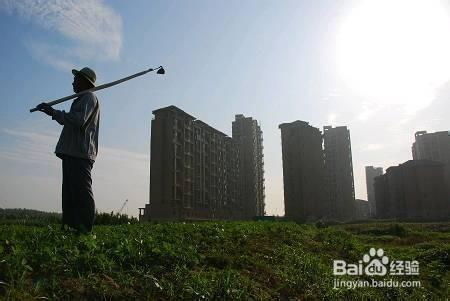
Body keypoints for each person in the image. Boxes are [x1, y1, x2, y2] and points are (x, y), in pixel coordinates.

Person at [37, 67, 100, 234]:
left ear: (85, 82)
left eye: (76, 79)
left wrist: (54, 112)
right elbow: (72, 121)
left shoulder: (89, 97)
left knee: (82, 192)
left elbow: (78, 120)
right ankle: (72, 226)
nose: (73, 82)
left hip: (80, 153)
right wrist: (53, 113)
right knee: (70, 192)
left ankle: (85, 229)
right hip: (72, 152)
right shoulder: (81, 99)